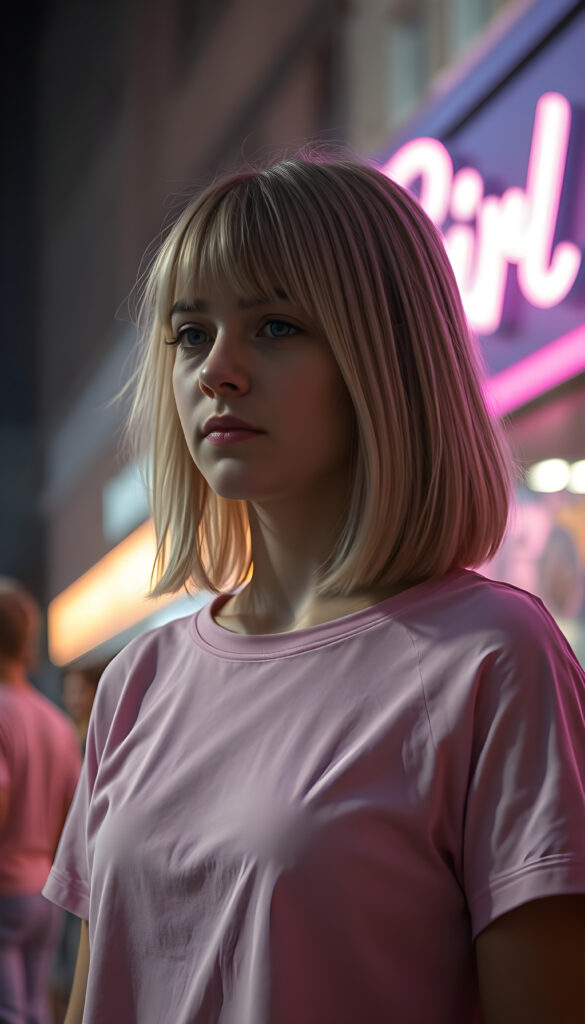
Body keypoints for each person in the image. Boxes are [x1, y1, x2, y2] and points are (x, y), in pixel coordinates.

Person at [43, 156, 585, 1024]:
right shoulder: (137, 681)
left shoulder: (493, 658)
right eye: (190, 333)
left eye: (277, 326)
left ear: (385, 355)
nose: (216, 370)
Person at [0, 578, 81, 1024]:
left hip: (4, 890)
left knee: (9, 1011)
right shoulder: (57, 722)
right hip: (44, 889)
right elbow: (73, 812)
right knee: (35, 1008)